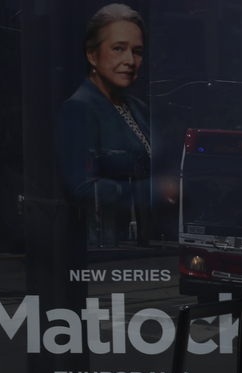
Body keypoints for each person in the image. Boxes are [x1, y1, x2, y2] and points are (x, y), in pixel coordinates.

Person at [56, 4, 154, 246]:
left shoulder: (139, 108)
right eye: (118, 49)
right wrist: (157, 191)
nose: (130, 60)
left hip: (145, 244)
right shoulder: (79, 108)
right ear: (92, 55)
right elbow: (80, 189)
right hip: (105, 244)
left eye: (137, 51)